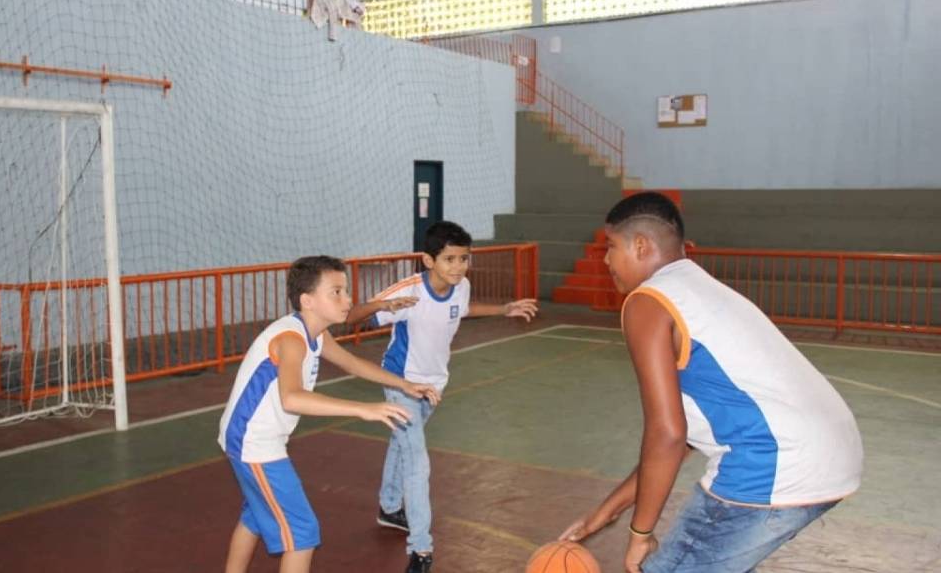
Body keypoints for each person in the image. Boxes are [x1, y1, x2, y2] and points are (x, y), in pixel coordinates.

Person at [560, 192, 863, 572]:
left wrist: (641, 532)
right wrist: (603, 514)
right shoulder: (699, 288)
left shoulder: (648, 302)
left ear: (640, 245)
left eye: (611, 247)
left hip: (773, 463)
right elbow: (683, 438)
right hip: (831, 455)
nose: (605, 259)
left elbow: (666, 435)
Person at [219, 255, 441, 573]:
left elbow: (352, 363)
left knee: (255, 515)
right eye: (336, 292)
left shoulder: (316, 333)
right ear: (307, 300)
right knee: (303, 534)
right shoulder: (291, 340)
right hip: (253, 442)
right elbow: (292, 399)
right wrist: (363, 409)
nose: (348, 299)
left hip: (250, 436)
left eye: (346, 290)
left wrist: (405, 384)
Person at [347, 221, 538, 573]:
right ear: (428, 260)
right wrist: (382, 305)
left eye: (464, 258)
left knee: (401, 445)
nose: (458, 266)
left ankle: (390, 507)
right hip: (401, 383)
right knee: (417, 462)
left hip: (435, 386)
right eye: (449, 259)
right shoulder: (410, 291)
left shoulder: (460, 285)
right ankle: (421, 550)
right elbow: (351, 317)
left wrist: (503, 309)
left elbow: (462, 309)